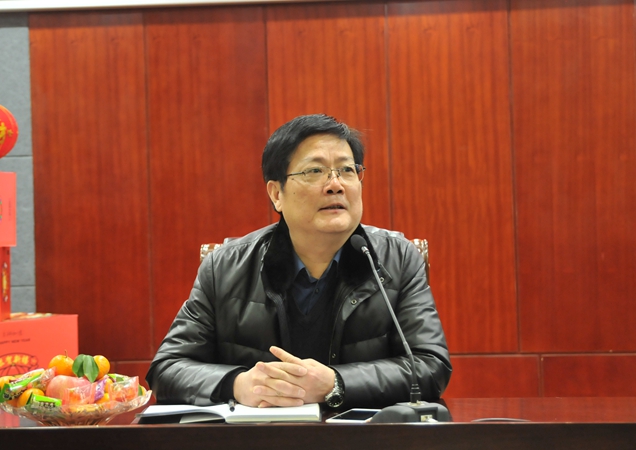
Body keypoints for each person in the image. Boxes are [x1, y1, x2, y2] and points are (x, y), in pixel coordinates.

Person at [146, 114, 451, 410]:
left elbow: (430, 365)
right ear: (276, 194)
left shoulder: (397, 259)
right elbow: (167, 369)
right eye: (314, 171)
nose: (335, 184)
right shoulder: (225, 267)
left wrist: (336, 383)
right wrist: (238, 384)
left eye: (347, 170)